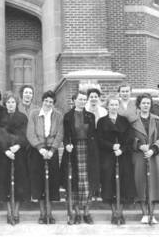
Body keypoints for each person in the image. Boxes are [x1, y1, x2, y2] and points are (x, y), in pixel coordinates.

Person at [60, 91, 100, 224]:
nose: (83, 101)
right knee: (74, 182)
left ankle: (86, 213)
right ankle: (76, 213)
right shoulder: (67, 116)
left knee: (87, 182)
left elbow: (93, 135)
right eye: (80, 99)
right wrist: (67, 145)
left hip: (88, 151)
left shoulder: (90, 116)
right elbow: (65, 135)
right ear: (74, 100)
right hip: (73, 150)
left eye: (84, 99)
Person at [97, 95, 136, 225]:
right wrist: (111, 146)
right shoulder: (102, 121)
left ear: (118, 106)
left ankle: (121, 212)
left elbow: (130, 139)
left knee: (123, 183)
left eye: (115, 105)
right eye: (111, 105)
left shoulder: (124, 121)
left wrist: (122, 150)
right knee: (109, 182)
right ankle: (114, 212)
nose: (113, 107)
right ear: (107, 106)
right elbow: (99, 139)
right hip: (108, 156)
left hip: (123, 156)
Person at [26, 90, 64, 224]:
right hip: (38, 151)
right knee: (39, 182)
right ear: (42, 101)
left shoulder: (58, 115)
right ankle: (42, 214)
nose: (48, 103)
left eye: (51, 102)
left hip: (51, 152)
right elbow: (30, 133)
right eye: (46, 101)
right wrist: (40, 148)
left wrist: (52, 150)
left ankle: (50, 213)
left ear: (54, 103)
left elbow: (60, 134)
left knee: (52, 182)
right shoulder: (34, 114)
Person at [131, 93, 159, 224]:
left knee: (154, 183)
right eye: (143, 103)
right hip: (139, 156)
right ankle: (144, 213)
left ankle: (152, 213)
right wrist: (139, 146)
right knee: (140, 183)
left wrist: (153, 149)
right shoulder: (133, 121)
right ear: (139, 104)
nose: (146, 105)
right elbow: (129, 138)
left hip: (154, 157)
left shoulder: (156, 120)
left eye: (148, 103)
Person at [0, 91, 30, 225]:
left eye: (13, 102)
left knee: (19, 182)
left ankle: (16, 211)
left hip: (18, 153)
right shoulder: (0, 117)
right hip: (4, 154)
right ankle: (9, 211)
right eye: (8, 102)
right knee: (4, 182)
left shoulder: (22, 117)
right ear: (5, 103)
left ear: (16, 103)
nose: (11, 105)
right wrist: (5, 150)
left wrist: (18, 145)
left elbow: (26, 134)